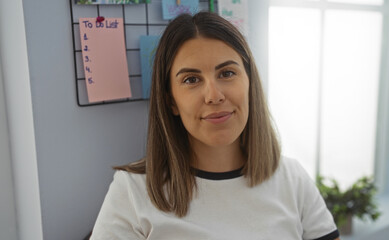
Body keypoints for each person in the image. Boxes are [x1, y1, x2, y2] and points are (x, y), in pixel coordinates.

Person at [90, 12, 340, 240]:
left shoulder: (292, 178)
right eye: (191, 80)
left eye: (227, 73)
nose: (214, 95)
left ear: (250, 82)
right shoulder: (132, 191)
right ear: (171, 102)